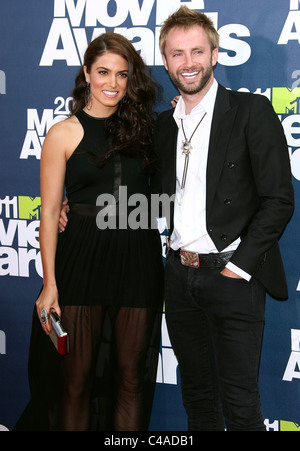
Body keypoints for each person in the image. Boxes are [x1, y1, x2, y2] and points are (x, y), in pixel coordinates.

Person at [153, 6, 294, 431]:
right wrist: (74, 206)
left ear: (215, 54)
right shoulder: (165, 124)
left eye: (197, 51)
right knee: (197, 398)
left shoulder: (251, 112)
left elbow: (279, 199)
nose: (188, 62)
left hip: (232, 278)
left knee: (240, 403)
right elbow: (140, 188)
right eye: (178, 54)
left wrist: (241, 265)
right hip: (179, 278)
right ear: (166, 61)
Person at [15, 32, 164, 431]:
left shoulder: (148, 130)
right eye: (103, 72)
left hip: (137, 257)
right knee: (75, 382)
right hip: (81, 258)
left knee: (131, 380)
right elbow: (48, 212)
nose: (112, 83)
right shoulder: (62, 133)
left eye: (121, 74)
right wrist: (50, 283)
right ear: (86, 73)